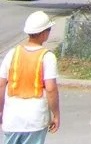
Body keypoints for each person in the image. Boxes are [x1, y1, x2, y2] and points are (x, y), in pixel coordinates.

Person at [0, 10, 60, 143]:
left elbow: (1, 84)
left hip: (12, 119)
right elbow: (51, 89)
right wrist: (56, 115)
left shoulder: (12, 54)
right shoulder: (47, 57)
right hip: (35, 120)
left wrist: (0, 110)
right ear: (44, 33)